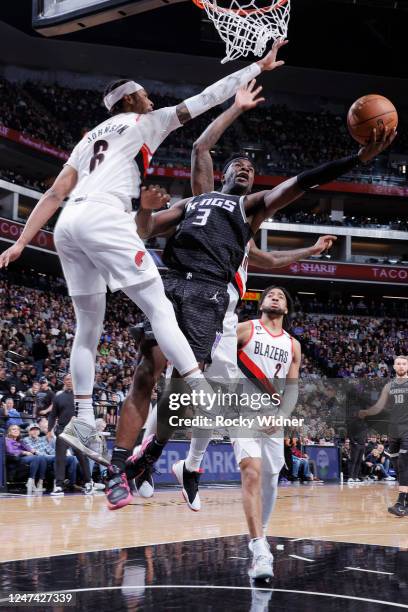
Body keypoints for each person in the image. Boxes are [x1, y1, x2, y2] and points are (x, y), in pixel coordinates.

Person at [0, 39, 287, 485]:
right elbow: (206, 99)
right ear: (131, 100)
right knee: (159, 307)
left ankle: (83, 417)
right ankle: (198, 385)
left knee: (87, 328)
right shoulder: (143, 122)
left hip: (67, 224)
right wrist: (258, 67)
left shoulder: (87, 140)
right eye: (144, 95)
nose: (151, 99)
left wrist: (22, 241)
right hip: (103, 217)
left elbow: (55, 194)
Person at [118, 85, 395, 511]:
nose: (245, 167)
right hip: (184, 288)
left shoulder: (247, 218)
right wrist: (236, 106)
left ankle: (178, 463)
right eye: (238, 164)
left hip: (219, 307)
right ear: (222, 174)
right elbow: (199, 148)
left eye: (251, 166)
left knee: (201, 393)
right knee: (173, 381)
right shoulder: (201, 199)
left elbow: (280, 236)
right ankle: (150, 462)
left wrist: (311, 249)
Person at [222, 285, 301, 579]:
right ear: (262, 304)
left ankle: (262, 534)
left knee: (270, 477)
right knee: (251, 472)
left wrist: (282, 415)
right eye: (271, 294)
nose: (276, 296)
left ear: (286, 309)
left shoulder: (293, 344)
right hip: (242, 412)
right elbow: (221, 364)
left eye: (281, 295)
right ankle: (258, 547)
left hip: (272, 417)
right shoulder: (245, 329)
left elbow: (292, 389)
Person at [359, 355, 408, 516]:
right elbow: (379, 406)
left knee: (403, 463)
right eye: (398, 364)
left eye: (404, 364)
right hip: (393, 431)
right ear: (394, 367)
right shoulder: (388, 386)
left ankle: (401, 503)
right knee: (398, 465)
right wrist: (366, 412)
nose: (401, 366)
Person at [48, 374, 93, 496]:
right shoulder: (59, 397)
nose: (69, 381)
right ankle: (58, 486)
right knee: (60, 459)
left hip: (77, 430)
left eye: (72, 379)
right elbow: (52, 415)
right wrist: (49, 430)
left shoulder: (81, 396)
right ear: (64, 381)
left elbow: (87, 413)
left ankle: (89, 482)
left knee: (82, 458)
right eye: (67, 379)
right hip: (62, 430)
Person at [5, 424, 47, 494]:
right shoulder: (7, 440)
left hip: (24, 458)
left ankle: (40, 482)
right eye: (13, 429)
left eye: (17, 429)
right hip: (16, 459)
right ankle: (31, 482)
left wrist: (33, 451)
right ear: (9, 432)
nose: (16, 431)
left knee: (41, 457)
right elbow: (10, 451)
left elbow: (30, 449)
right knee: (35, 458)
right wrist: (23, 452)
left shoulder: (20, 441)